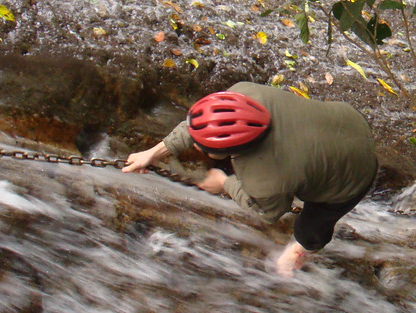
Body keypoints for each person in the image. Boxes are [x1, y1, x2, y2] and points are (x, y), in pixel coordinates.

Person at [122, 82, 378, 276]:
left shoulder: (267, 179)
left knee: (310, 226)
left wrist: (224, 182)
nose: (196, 147)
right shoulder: (243, 93)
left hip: (353, 177)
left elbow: (269, 213)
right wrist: (153, 153)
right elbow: (201, 123)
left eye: (202, 148)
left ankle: (303, 250)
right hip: (348, 122)